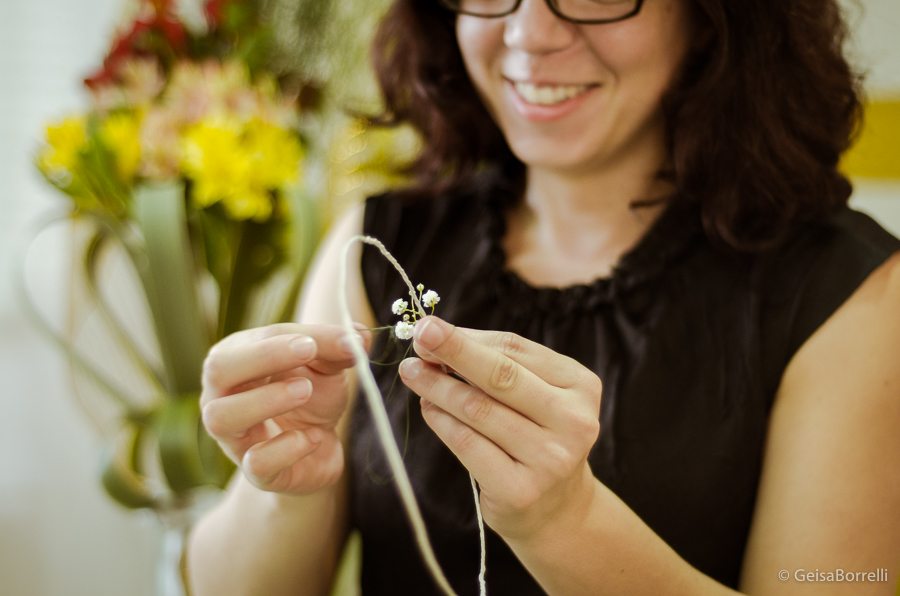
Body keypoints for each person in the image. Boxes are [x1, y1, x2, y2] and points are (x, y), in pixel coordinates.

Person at [186, 0, 900, 594]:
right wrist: (281, 483)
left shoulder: (846, 293)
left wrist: (565, 522)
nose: (531, 33)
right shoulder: (378, 242)